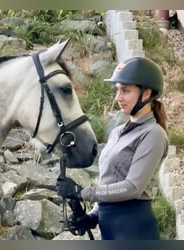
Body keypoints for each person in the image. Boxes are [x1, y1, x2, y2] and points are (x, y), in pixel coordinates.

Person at [56, 56, 169, 240]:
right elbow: (109, 182)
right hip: (110, 229)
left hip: (134, 230)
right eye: (118, 90)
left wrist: (82, 192)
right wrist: (93, 216)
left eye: (125, 91)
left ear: (147, 93)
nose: (118, 97)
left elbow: (132, 187)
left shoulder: (153, 134)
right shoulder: (117, 132)